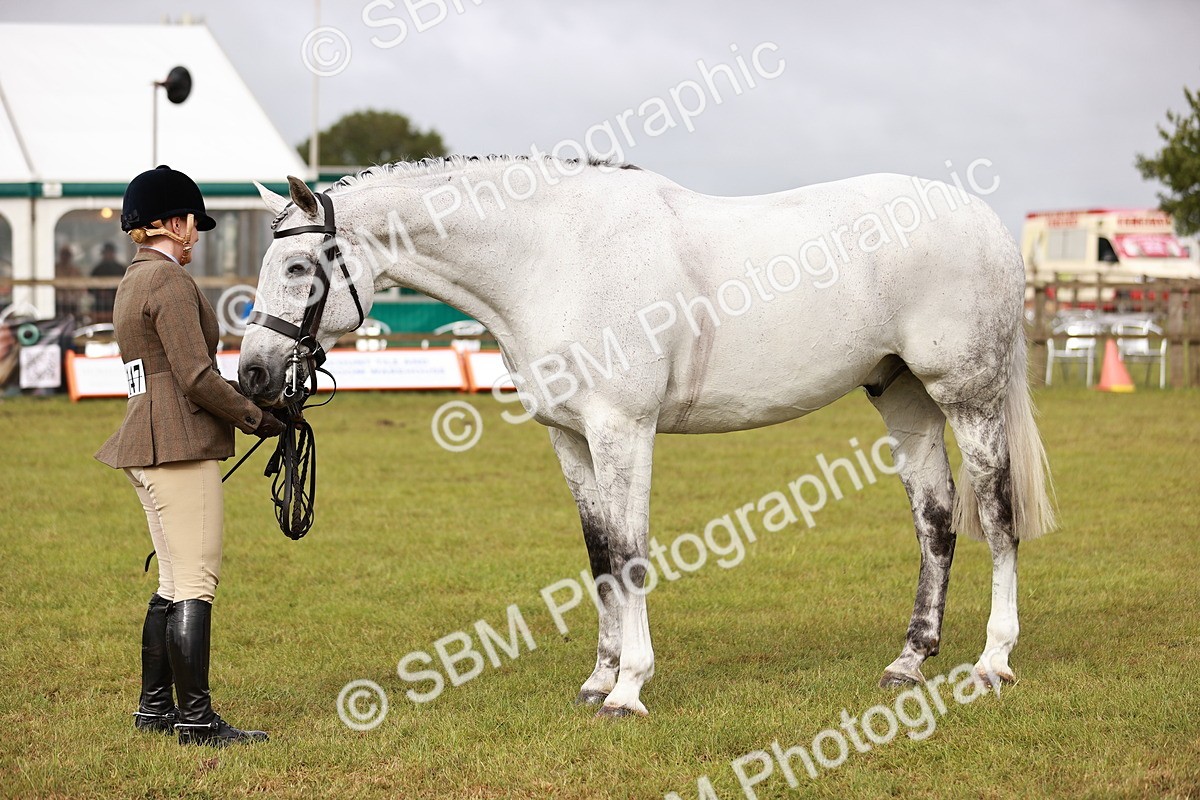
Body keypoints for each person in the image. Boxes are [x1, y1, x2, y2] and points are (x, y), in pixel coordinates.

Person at [95, 165, 286, 747]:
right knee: (196, 582)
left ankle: (155, 708)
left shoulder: (133, 280)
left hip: (145, 440)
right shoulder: (172, 284)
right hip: (177, 444)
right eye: (191, 224)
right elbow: (197, 376)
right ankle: (197, 720)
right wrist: (258, 419)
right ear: (171, 224)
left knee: (175, 578)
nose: (195, 235)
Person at [91, 242, 126, 321]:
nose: (108, 254)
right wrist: (101, 293)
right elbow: (90, 288)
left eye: (110, 252)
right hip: (101, 304)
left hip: (118, 302)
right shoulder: (97, 269)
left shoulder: (121, 268)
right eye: (106, 252)